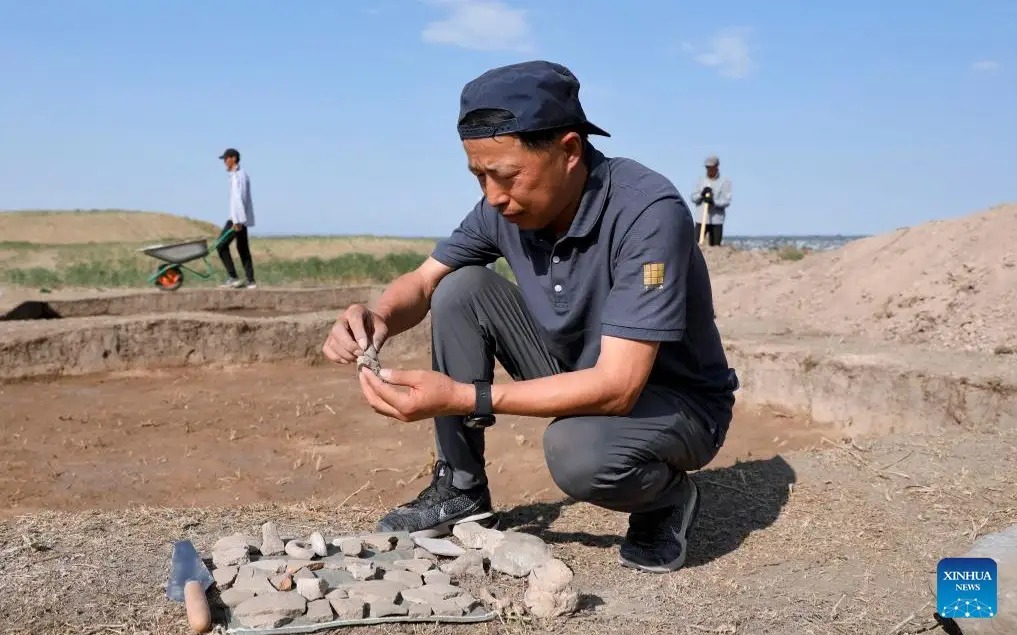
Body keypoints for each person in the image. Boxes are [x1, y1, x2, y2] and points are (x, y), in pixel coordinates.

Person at [322, 60, 739, 574]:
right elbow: (425, 280)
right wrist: (379, 315)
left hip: (674, 404)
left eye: (506, 176)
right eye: (479, 176)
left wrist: (463, 397)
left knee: (577, 452)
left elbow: (619, 386)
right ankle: (462, 488)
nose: (493, 196)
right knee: (460, 287)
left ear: (569, 150)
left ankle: (667, 498)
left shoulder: (645, 211)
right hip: (578, 374)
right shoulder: (504, 209)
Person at [217, 147, 256, 289]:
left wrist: (238, 220)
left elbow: (241, 198)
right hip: (239, 217)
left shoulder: (239, 176)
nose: (225, 162)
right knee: (242, 248)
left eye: (226, 159)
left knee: (220, 245)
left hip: (237, 218)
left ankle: (233, 277)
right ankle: (251, 281)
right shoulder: (235, 175)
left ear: (233, 158)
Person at [689, 156, 732, 247]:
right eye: (707, 167)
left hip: (717, 220)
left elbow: (727, 201)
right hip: (701, 219)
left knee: (715, 247)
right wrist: (701, 194)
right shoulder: (701, 181)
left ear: (717, 166)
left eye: (711, 167)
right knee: (695, 246)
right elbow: (693, 198)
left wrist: (714, 202)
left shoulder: (724, 182)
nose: (709, 170)